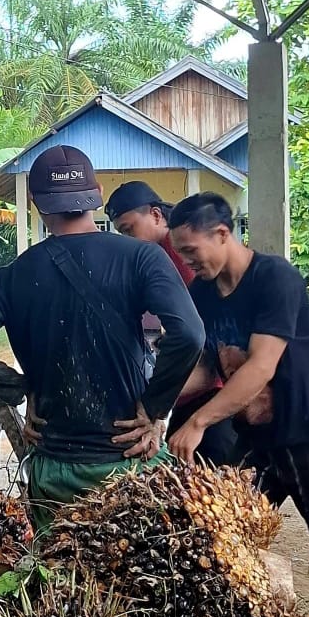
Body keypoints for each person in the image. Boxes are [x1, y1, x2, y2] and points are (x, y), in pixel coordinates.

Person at [0, 145, 205, 529]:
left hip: (54, 469)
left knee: (57, 582)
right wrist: (153, 408)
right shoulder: (142, 258)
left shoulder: (13, 276)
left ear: (36, 204)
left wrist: (22, 389)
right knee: (139, 581)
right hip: (129, 465)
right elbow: (190, 334)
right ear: (96, 193)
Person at [167, 192, 309, 589]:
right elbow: (208, 367)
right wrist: (156, 402)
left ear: (223, 234)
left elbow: (261, 366)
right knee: (221, 527)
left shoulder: (274, 278)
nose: (187, 261)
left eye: (191, 250)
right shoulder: (201, 295)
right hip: (254, 439)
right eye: (181, 252)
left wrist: (199, 421)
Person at [105, 181, 237, 465]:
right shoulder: (152, 257)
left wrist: (156, 408)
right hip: (193, 384)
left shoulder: (171, 255)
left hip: (211, 384)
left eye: (129, 230)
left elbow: (195, 331)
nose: (127, 239)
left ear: (155, 215)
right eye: (121, 233)